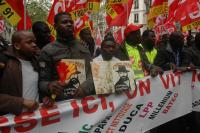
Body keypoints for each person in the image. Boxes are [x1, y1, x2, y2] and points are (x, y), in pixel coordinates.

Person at [38, 12, 95, 102]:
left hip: (85, 101)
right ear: (55, 26)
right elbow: (41, 82)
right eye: (64, 22)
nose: (69, 24)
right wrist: (49, 86)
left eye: (71, 22)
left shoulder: (83, 46)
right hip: (62, 104)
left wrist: (85, 87)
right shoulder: (47, 50)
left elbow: (92, 72)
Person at [0, 31, 39, 115]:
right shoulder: (4, 61)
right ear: (17, 46)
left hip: (36, 119)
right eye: (29, 42)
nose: (34, 45)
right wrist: (21, 102)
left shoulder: (37, 61)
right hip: (11, 122)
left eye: (34, 42)